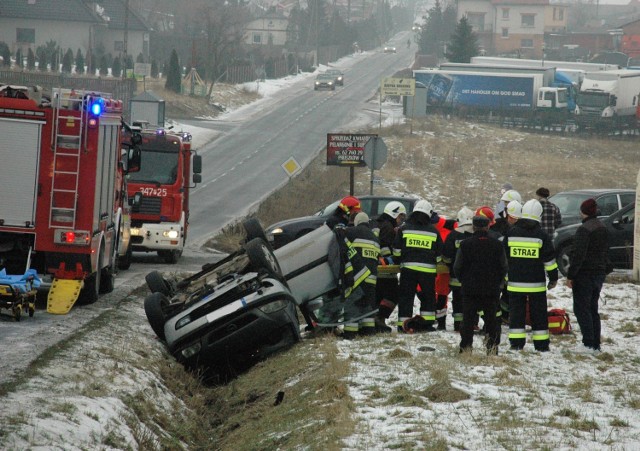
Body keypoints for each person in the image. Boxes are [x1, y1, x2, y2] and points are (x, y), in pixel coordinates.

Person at [504, 199, 558, 352]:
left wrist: (505, 277)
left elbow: (504, 258)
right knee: (539, 314)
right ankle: (541, 345)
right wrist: (553, 278)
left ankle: (516, 344)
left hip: (515, 283)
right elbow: (550, 261)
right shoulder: (542, 235)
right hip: (536, 284)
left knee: (516, 313)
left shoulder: (511, 233)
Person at [454, 215, 508, 355]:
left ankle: (465, 348)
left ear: (473, 227)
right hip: (491, 289)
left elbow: (457, 267)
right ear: (488, 226)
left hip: (470, 289)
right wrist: (498, 283)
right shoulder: (497, 244)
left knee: (468, 321)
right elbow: (504, 267)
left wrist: (463, 281)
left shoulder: (465, 244)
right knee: (492, 321)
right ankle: (492, 349)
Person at [566, 198, 609, 355]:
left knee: (581, 308)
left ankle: (588, 343)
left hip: (585, 274)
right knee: (593, 308)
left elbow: (579, 255)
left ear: (583, 211)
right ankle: (595, 344)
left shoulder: (584, 230)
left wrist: (571, 275)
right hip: (599, 273)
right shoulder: (602, 227)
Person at [393, 199, 443, 333]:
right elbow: (439, 255)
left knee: (406, 297)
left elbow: (396, 251)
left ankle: (402, 324)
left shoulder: (404, 229)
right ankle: (426, 325)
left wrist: (399, 261)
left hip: (408, 270)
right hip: (428, 271)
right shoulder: (434, 231)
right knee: (428, 297)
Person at [343, 212, 380, 337]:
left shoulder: (351, 232)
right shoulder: (375, 237)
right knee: (367, 307)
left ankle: (350, 333)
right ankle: (368, 332)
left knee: (353, 306)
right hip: (372, 279)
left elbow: (342, 245)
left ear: (356, 222)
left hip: (357, 277)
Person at [374, 201, 407, 332]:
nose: (401, 220)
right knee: (393, 294)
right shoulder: (388, 227)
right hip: (385, 270)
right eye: (400, 217)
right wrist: (391, 259)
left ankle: (375, 319)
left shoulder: (379, 223)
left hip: (376, 268)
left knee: (379, 294)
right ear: (394, 214)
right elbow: (386, 247)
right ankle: (379, 318)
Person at [442, 206, 475, 332]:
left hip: (457, 278)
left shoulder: (453, 235)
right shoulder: (478, 234)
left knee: (458, 301)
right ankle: (471, 323)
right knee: (473, 302)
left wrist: (450, 265)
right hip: (474, 279)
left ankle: (458, 325)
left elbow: (446, 256)